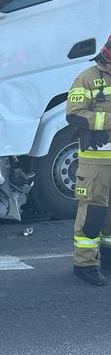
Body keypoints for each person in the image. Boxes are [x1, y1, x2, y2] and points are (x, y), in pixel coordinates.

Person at [66, 35, 111, 285]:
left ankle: (107, 256)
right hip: (96, 162)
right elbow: (75, 115)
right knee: (93, 212)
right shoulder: (86, 78)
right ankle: (84, 264)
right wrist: (104, 123)